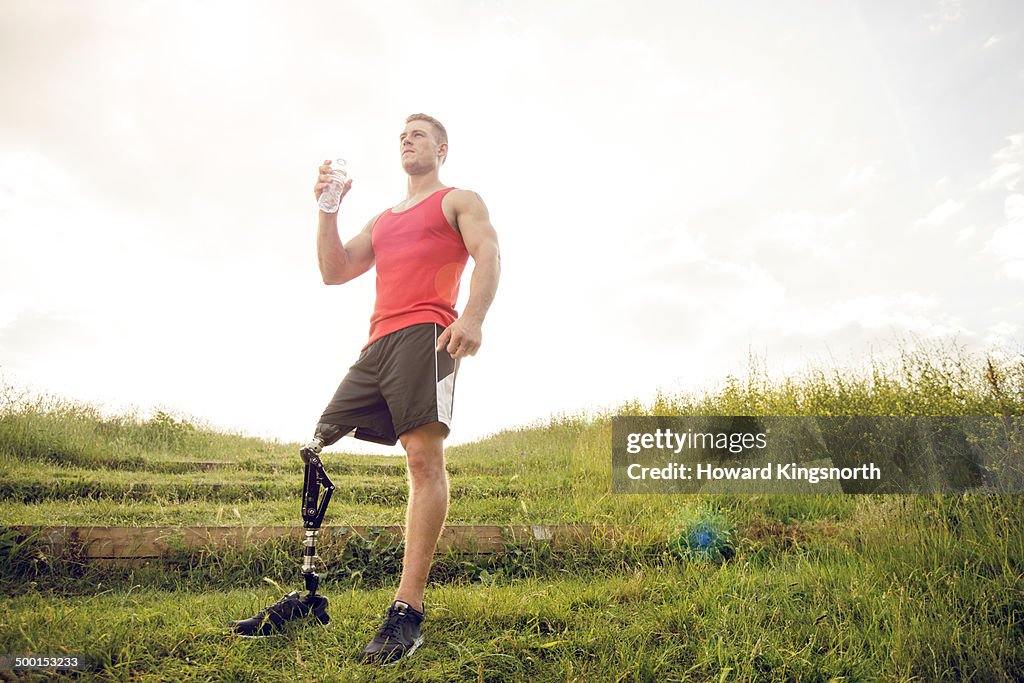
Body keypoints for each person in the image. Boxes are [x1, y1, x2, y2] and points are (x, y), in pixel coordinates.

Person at [310, 113, 500, 663]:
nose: (407, 140)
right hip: (378, 343)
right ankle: (307, 591)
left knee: (422, 459)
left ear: (441, 148)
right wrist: (328, 210)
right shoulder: (383, 219)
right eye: (402, 135)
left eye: (418, 134)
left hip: (428, 334)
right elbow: (334, 270)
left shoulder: (459, 200)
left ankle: (406, 610)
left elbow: (488, 253)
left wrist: (474, 316)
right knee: (315, 446)